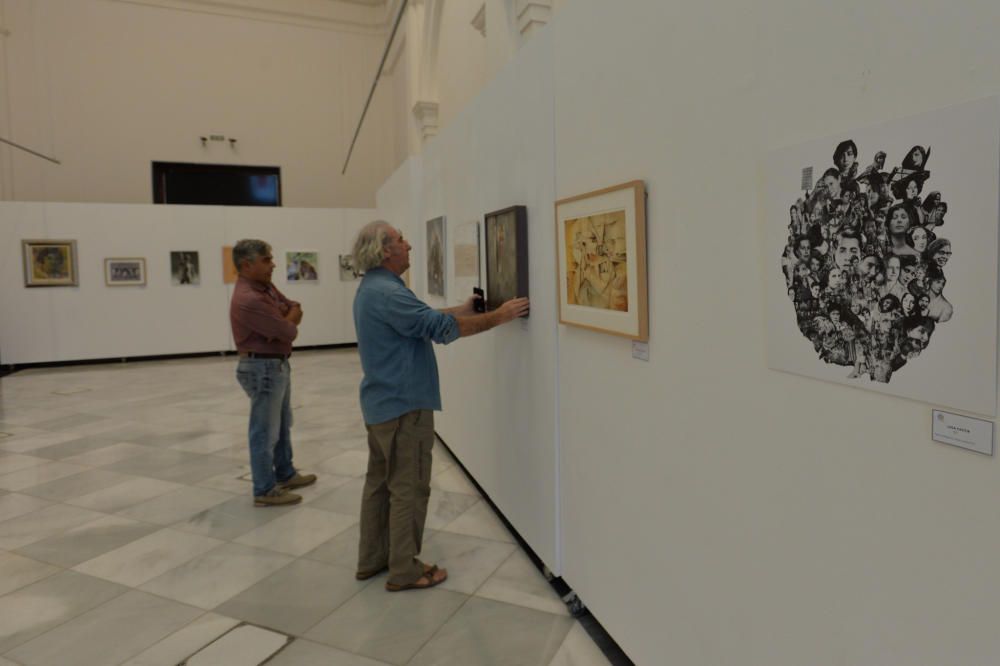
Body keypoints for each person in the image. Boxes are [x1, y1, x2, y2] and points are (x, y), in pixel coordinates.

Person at [351, 221, 530, 592]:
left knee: (380, 486)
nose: (410, 245)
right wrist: (500, 316)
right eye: (402, 239)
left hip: (381, 404)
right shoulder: (388, 292)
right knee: (409, 488)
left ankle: (373, 559)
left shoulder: (375, 288)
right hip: (404, 407)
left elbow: (421, 320)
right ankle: (404, 570)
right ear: (385, 250)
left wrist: (463, 308)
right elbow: (440, 330)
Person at [230, 239, 317, 507]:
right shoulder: (249, 299)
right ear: (247, 264)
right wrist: (286, 318)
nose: (273, 264)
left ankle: (285, 472)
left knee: (281, 424)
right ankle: (264, 490)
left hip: (275, 364)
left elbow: (292, 305)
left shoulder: (264, 287)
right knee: (264, 432)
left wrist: (285, 316)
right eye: (267, 259)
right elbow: (289, 330)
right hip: (262, 367)